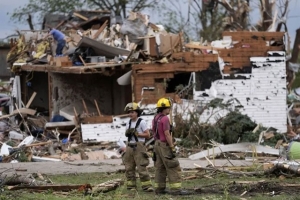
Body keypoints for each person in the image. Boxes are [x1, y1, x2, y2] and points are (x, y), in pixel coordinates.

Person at [152, 97, 189, 195]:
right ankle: (176, 190)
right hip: (164, 145)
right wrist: (172, 146)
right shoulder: (165, 118)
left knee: (160, 167)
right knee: (172, 166)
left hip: (157, 144)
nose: (169, 110)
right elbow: (167, 134)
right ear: (164, 108)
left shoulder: (155, 118)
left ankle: (159, 189)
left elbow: (153, 131)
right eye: (168, 108)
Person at [122, 102, 154, 192]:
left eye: (132, 112)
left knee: (141, 167)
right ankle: (131, 186)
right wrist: (127, 133)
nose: (130, 114)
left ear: (137, 112)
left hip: (139, 147)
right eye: (129, 112)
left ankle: (147, 186)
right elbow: (127, 134)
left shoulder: (141, 122)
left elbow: (147, 135)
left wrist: (138, 134)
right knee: (129, 167)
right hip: (129, 147)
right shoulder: (128, 122)